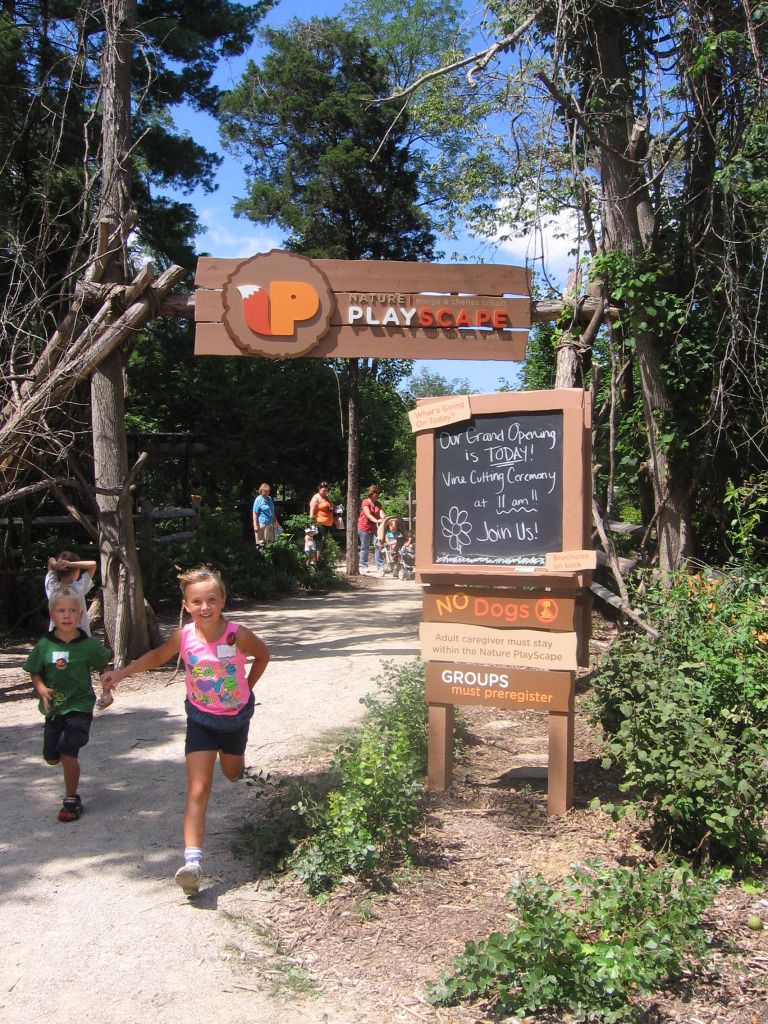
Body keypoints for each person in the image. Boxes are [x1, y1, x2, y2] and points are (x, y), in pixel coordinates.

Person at [101, 565, 270, 896]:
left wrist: (246, 689)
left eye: (211, 600)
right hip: (201, 720)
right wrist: (122, 674)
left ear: (222, 600)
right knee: (198, 790)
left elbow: (263, 656)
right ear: (186, 605)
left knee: (232, 772)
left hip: (235, 719)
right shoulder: (185, 636)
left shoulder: (238, 634)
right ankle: (192, 865)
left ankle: (233, 757)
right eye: (197, 601)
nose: (204, 607)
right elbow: (155, 656)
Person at [24, 588, 113, 822]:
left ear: (80, 614)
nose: (66, 615)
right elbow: (35, 671)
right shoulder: (45, 645)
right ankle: (62, 764)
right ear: (52, 615)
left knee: (67, 752)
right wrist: (42, 689)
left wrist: (106, 692)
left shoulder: (88, 646)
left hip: (80, 707)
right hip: (55, 708)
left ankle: (71, 799)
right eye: (61, 611)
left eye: (72, 611)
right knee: (52, 757)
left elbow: (105, 669)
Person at [45, 550, 97, 635]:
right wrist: (70, 564)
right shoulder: (79, 588)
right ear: (75, 572)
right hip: (80, 638)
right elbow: (93, 564)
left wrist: (56, 565)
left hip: (57, 637)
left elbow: (50, 561)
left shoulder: (52, 588)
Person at [357, 485, 385, 573]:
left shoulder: (378, 503)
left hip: (376, 529)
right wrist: (377, 521)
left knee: (378, 545)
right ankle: (363, 565)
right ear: (371, 493)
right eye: (375, 493)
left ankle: (379, 566)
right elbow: (368, 515)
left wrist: (385, 518)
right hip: (364, 527)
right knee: (364, 547)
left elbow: (381, 513)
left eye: (378, 493)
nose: (377, 495)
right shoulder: (366, 502)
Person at [308, 481, 335, 558]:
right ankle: (317, 561)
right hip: (319, 524)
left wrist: (333, 509)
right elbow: (311, 512)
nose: (325, 492)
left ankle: (323, 560)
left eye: (326, 490)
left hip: (328, 524)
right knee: (319, 543)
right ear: (319, 489)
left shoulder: (326, 498)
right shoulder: (316, 498)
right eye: (324, 490)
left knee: (325, 543)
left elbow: (329, 508)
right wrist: (311, 524)